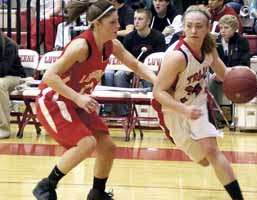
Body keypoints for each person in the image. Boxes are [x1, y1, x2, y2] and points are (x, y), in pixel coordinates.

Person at [32, 1, 156, 200]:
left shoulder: (111, 44)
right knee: (86, 144)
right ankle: (46, 186)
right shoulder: (81, 46)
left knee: (107, 147)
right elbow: (49, 76)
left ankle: (97, 193)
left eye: (117, 21)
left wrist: (159, 83)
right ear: (97, 24)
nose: (118, 26)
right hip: (54, 99)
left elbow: (135, 64)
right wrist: (78, 97)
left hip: (77, 101)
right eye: (113, 22)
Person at [153, 6, 244, 200]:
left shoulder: (209, 47)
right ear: (183, 28)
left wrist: (245, 82)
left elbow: (224, 74)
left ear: (208, 27)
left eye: (199, 26)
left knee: (212, 151)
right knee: (203, 161)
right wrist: (184, 110)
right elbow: (158, 92)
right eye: (189, 26)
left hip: (198, 103)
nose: (194, 31)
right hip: (173, 109)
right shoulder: (177, 56)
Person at [102, 7, 166, 116]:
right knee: (119, 75)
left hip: (150, 69)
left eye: (140, 19)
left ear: (148, 21)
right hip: (131, 68)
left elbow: (161, 59)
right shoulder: (129, 37)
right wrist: (130, 69)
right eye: (135, 18)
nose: (136, 21)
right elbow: (123, 58)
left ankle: (151, 112)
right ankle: (125, 113)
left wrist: (143, 71)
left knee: (149, 77)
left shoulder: (158, 37)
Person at [209, 14, 250, 126]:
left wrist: (229, 72)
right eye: (221, 27)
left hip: (237, 75)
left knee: (237, 84)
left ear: (234, 29)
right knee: (211, 82)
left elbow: (245, 64)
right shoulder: (214, 41)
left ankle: (236, 119)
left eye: (226, 28)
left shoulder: (242, 41)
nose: (222, 31)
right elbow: (210, 61)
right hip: (220, 76)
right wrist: (215, 73)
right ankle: (214, 118)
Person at [0, 32, 26, 139]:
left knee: (0, 84)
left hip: (15, 77)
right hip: (3, 76)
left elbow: (2, 70)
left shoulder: (9, 45)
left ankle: (3, 129)